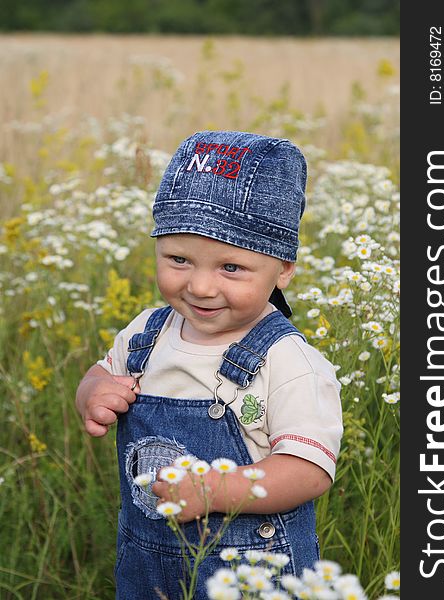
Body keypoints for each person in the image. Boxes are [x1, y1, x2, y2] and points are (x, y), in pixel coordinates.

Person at [75, 130, 343, 599]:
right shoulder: (147, 333)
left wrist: (215, 491)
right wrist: (93, 392)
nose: (200, 287)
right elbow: (102, 372)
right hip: (145, 561)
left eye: (230, 268)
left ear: (283, 269)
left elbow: (308, 469)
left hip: (251, 572)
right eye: (179, 259)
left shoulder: (288, 360)